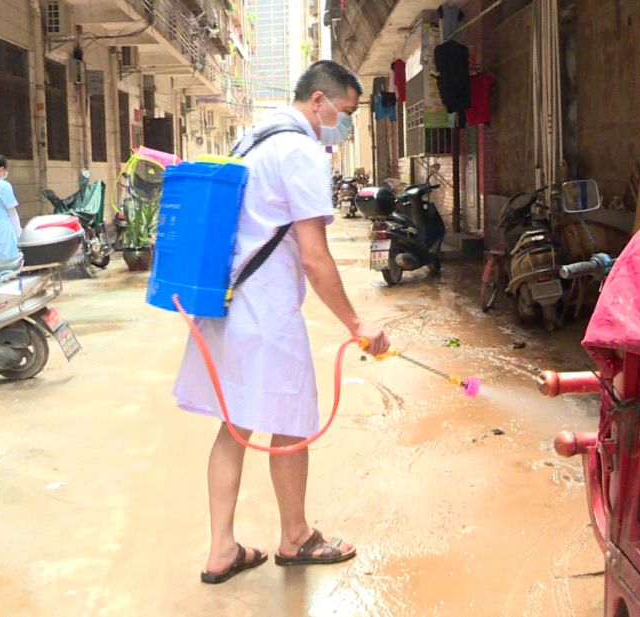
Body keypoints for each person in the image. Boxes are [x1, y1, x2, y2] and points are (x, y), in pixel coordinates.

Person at [174, 60, 392, 584]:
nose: (344, 123)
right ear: (318, 101)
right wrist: (357, 324)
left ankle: (222, 549)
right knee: (291, 425)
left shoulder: (252, 139)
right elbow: (315, 258)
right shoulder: (300, 152)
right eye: (345, 112)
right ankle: (295, 538)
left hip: (226, 305)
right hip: (267, 314)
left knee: (235, 425)